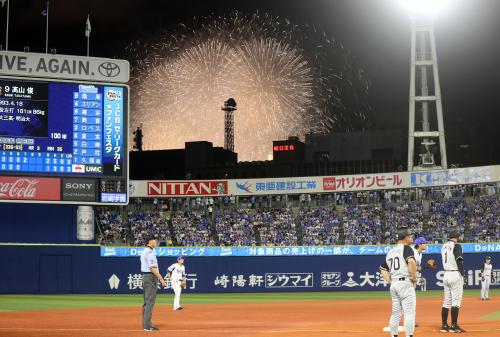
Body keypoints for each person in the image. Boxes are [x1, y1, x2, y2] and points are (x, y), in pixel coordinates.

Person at [380, 227, 417, 337]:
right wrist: (414, 277)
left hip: (395, 284)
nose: (411, 238)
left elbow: (382, 269)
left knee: (396, 313)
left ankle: (394, 335)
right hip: (405, 284)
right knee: (409, 313)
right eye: (410, 236)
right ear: (406, 237)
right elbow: (411, 262)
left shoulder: (390, 252)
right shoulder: (407, 248)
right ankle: (409, 335)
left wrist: (390, 281)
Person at [440, 227, 466, 333]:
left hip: (446, 274)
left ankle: (444, 325)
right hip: (455, 274)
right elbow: (459, 261)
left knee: (446, 302)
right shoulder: (457, 246)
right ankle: (454, 326)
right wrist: (463, 275)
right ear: (457, 236)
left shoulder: (443, 246)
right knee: (456, 302)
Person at [140, 237, 167, 331]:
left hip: (146, 277)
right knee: (150, 302)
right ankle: (147, 325)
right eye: (154, 240)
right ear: (150, 242)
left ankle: (145, 323)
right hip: (150, 277)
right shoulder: (150, 253)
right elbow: (153, 268)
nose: (156, 242)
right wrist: (161, 279)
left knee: (146, 302)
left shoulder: (144, 251)